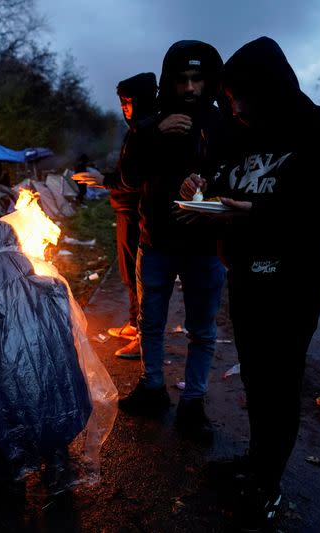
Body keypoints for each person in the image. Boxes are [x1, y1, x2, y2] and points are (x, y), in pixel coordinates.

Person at [179, 36, 320, 530]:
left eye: (237, 95)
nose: (230, 106)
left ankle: (268, 482)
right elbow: (220, 186)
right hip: (245, 273)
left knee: (280, 380)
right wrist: (199, 193)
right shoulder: (238, 135)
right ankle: (256, 461)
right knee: (257, 376)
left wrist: (260, 212)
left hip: (294, 276)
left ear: (268, 88)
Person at [0, 220, 117, 490]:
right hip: (66, 403)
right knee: (45, 375)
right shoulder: (53, 289)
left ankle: (9, 464)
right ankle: (57, 459)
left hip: (11, 408)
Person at [117, 40, 227, 443]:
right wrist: (153, 134)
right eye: (182, 80)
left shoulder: (222, 123)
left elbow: (237, 176)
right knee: (151, 320)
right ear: (170, 81)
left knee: (202, 328)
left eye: (198, 79)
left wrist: (207, 184)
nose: (190, 88)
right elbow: (128, 176)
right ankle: (152, 388)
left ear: (209, 81)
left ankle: (193, 403)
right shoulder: (151, 120)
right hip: (156, 241)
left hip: (204, 247)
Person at [102, 72, 158, 357]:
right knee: (127, 272)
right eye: (122, 103)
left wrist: (105, 181)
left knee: (141, 277)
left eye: (128, 102)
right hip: (126, 210)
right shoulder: (136, 131)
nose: (124, 108)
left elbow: (133, 178)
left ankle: (142, 336)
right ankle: (134, 323)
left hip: (139, 213)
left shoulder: (147, 131)